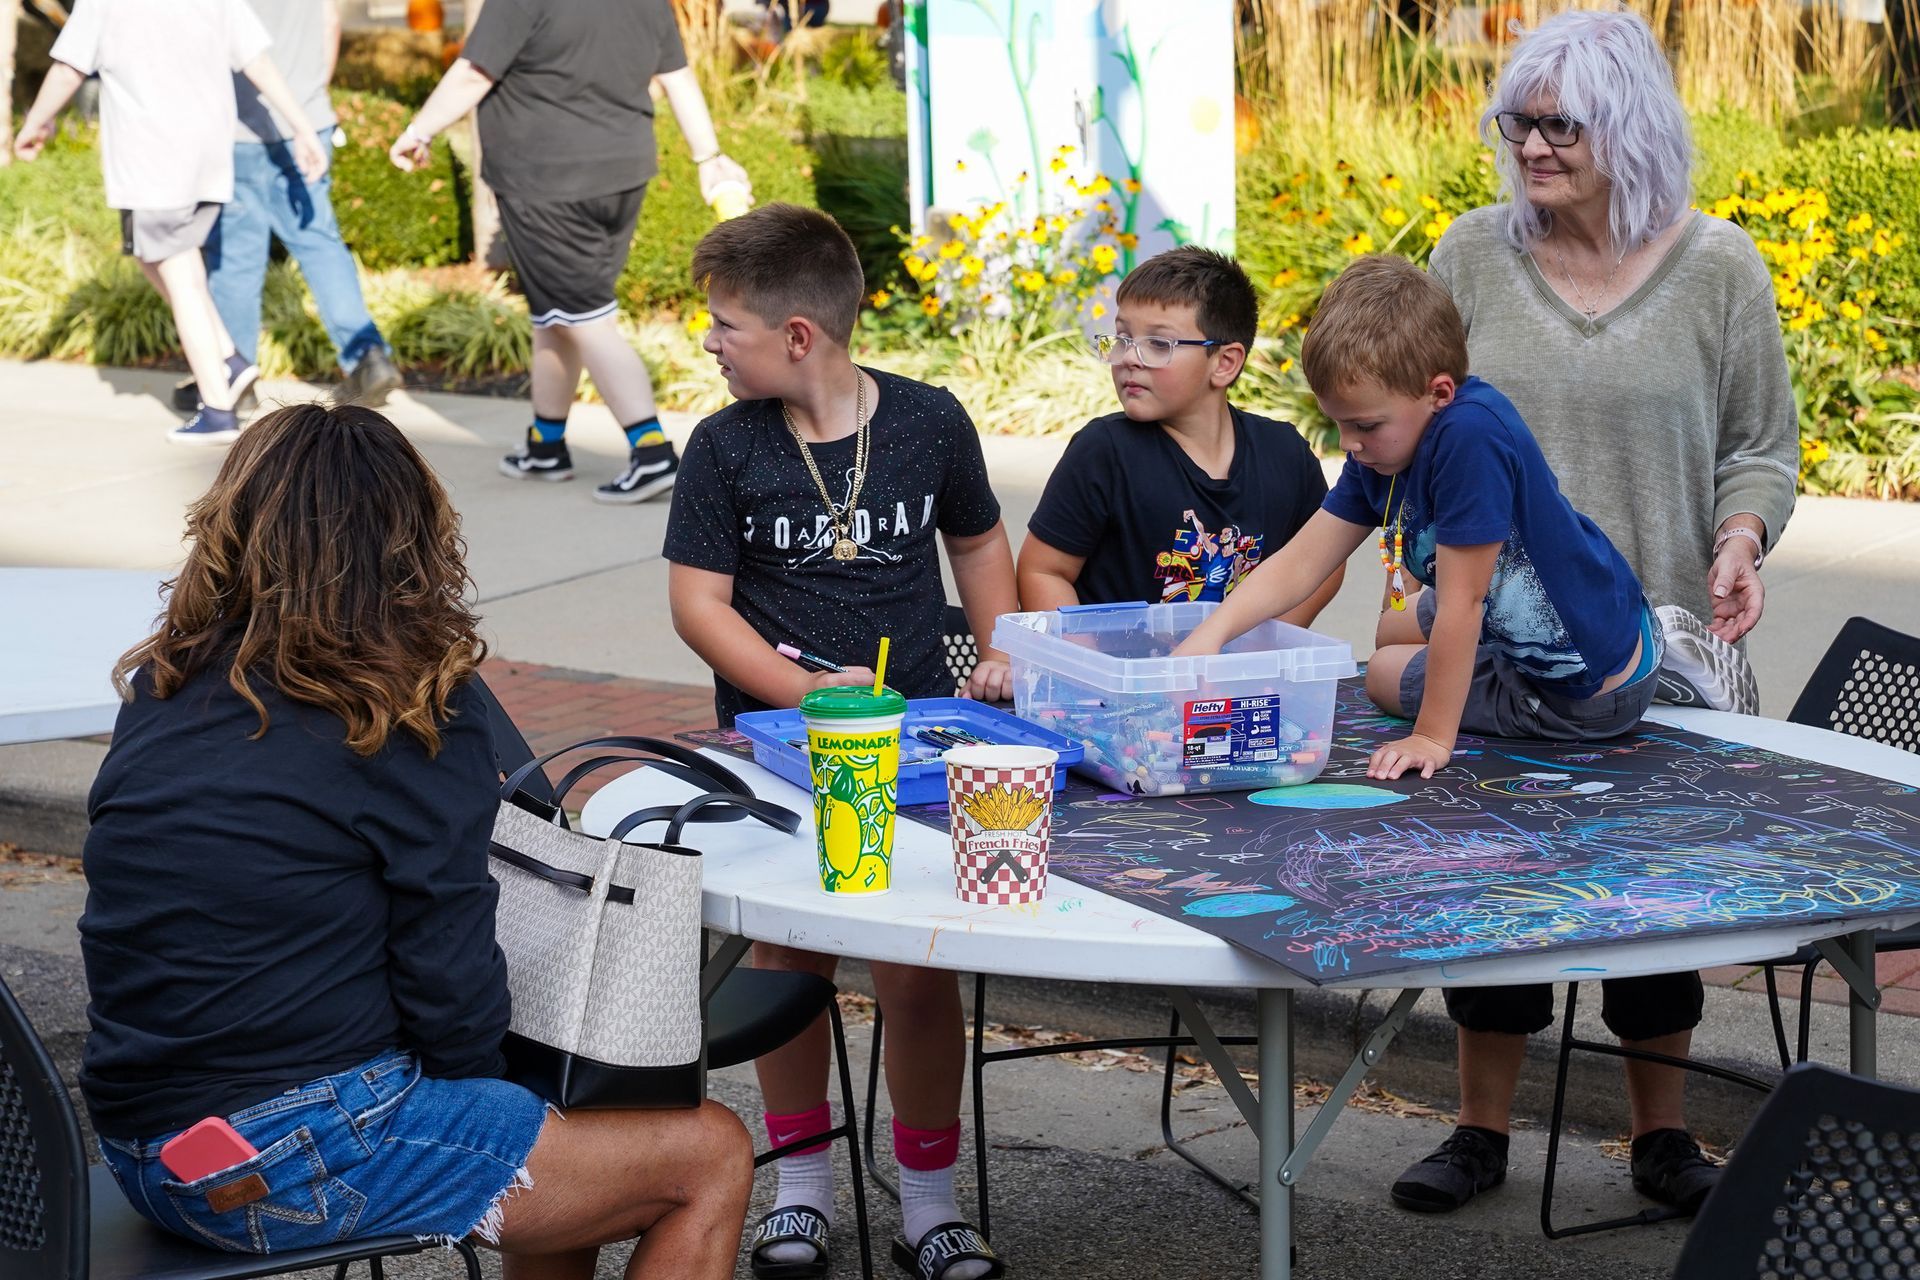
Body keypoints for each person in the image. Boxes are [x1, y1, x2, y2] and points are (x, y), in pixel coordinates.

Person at [82, 403, 753, 1280]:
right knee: (709, 1155)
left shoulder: (164, 683)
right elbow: (451, 979)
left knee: (556, 1136)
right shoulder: (399, 712)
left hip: (143, 1151)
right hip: (293, 1153)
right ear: (411, 544)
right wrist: (500, 1090)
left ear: (232, 526)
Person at [1404, 7, 1800, 1218]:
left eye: (1558, 123)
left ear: (1625, 127)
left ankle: (1662, 1136)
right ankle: (1478, 1130)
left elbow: (1760, 447)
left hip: (1663, 647)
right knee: (1496, 890)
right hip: (1498, 646)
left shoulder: (1720, 266)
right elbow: (1407, 424)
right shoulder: (1470, 257)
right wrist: (1401, 574)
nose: (1529, 144)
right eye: (1517, 121)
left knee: (1660, 898)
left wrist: (1741, 539)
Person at [664, 203, 1016, 1280]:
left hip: (912, 748)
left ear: (799, 336)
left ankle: (929, 1202)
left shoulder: (928, 421)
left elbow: (979, 540)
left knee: (915, 968)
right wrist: (805, 697)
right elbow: (699, 606)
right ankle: (804, 1186)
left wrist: (1001, 652)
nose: (711, 342)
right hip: (776, 751)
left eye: (726, 324)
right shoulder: (724, 446)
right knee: (790, 957)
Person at [1176, 254, 1660, 787]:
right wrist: (1211, 633)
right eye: (1337, 424)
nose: (1349, 445)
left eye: (1363, 425)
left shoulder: (1470, 437)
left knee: (1384, 675)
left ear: (1439, 393)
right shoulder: (1382, 450)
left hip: (1587, 690)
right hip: (1575, 604)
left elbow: (1463, 603)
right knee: (1391, 630)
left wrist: (1431, 736)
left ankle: (1662, 667)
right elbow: (1301, 562)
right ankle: (1661, 648)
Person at [390, 0, 751, 503]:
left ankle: (651, 452)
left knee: (583, 315)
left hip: (546, 179)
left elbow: (473, 73)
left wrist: (418, 130)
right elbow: (678, 76)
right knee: (557, 311)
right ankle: (547, 442)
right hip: (622, 176)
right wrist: (708, 157)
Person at [13, 0, 327, 446]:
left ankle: (218, 407)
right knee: (152, 256)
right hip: (206, 158)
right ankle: (230, 361)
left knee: (181, 273)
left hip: (152, 160)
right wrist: (302, 127)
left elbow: (68, 70)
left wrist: (35, 123)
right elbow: (255, 61)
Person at [1019, 245, 1342, 617]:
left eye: (1158, 344)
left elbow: (1325, 561)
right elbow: (1043, 569)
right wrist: (1090, 662)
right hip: (1122, 672)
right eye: (1121, 338)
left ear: (1224, 363)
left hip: (1235, 674)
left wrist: (1268, 644)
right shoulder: (1103, 451)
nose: (1128, 358)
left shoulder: (1285, 454)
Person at [174, 0, 404, 416]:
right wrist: (308, 100)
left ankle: (235, 376)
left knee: (236, 260)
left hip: (240, 129)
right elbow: (330, 20)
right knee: (320, 243)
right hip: (308, 120)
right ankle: (368, 358)